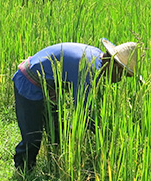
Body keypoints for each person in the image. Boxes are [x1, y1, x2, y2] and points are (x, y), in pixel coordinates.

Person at [12, 39, 140, 172]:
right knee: (32, 137)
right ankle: (23, 172)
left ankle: (55, 167)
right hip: (28, 83)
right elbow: (84, 113)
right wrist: (106, 135)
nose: (119, 80)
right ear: (115, 65)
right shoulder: (89, 70)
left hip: (48, 88)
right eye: (123, 74)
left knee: (56, 132)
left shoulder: (97, 57)